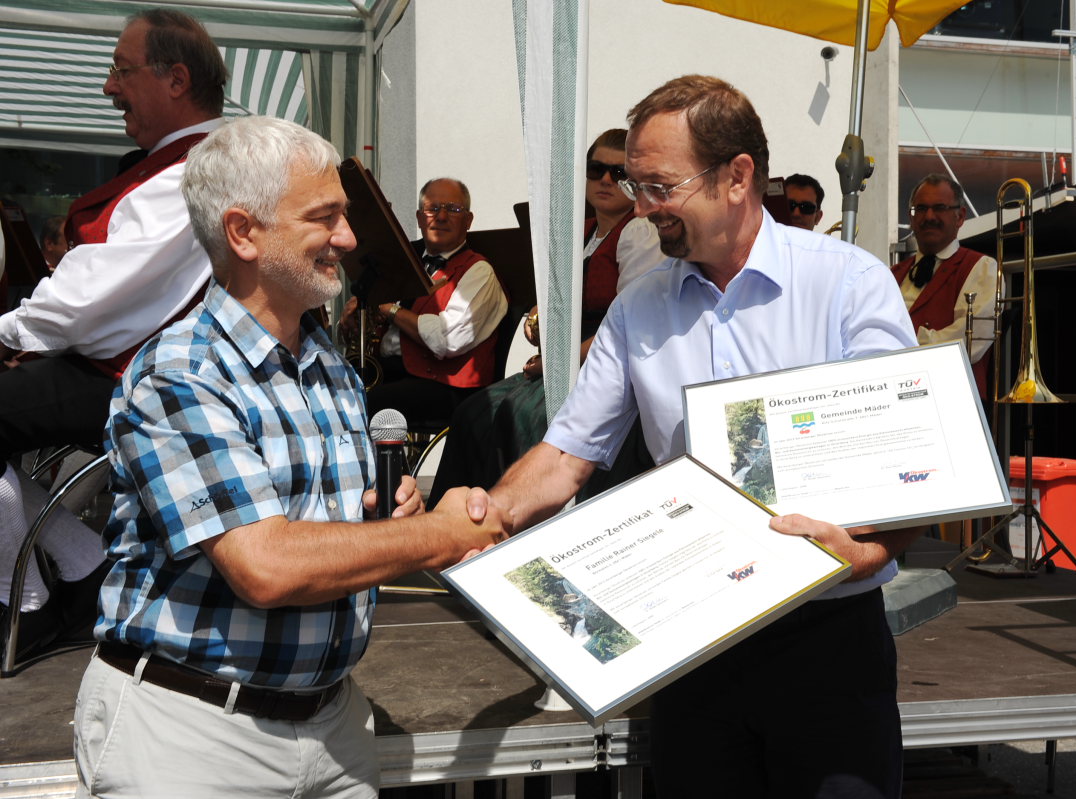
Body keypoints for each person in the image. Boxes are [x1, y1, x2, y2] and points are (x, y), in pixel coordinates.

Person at [466, 75, 920, 798]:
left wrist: (867, 553)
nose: (643, 209)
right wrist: (481, 516)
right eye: (634, 186)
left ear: (737, 176)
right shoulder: (638, 309)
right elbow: (566, 454)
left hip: (828, 641)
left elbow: (907, 456)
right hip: (692, 640)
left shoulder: (848, 284)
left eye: (659, 187)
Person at [73, 116, 507, 798]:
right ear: (243, 232)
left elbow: (323, 529)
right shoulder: (181, 371)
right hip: (193, 738)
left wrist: (392, 517)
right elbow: (266, 565)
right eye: (324, 216)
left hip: (335, 727)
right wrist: (437, 534)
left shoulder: (327, 364)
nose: (349, 237)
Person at [0, 8, 223, 659]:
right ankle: (81, 567)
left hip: (150, 381)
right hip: (127, 365)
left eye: (122, 71)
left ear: (176, 79)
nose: (108, 86)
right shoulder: (183, 163)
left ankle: (29, 603)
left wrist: (13, 333)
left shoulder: (196, 169)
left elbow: (97, 297)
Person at [428, 128, 662, 504]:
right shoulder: (581, 232)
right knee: (475, 412)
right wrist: (542, 318)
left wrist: (561, 361)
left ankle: (511, 514)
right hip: (568, 359)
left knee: (521, 418)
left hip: (606, 364)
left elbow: (630, 325)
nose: (604, 180)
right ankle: (458, 517)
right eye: (595, 169)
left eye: (618, 173)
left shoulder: (639, 232)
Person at [364, 178, 509, 421]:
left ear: (468, 220)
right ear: (420, 218)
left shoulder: (479, 271)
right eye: (432, 209)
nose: (441, 217)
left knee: (369, 403)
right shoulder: (404, 260)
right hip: (392, 372)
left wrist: (390, 310)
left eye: (453, 209)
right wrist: (362, 312)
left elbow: (447, 340)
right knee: (338, 390)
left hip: (450, 389)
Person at [892, 173, 998, 396]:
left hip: (953, 399)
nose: (929, 216)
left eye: (939, 208)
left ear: (960, 217)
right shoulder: (892, 274)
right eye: (920, 209)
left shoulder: (982, 268)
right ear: (911, 217)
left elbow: (969, 343)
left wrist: (901, 343)